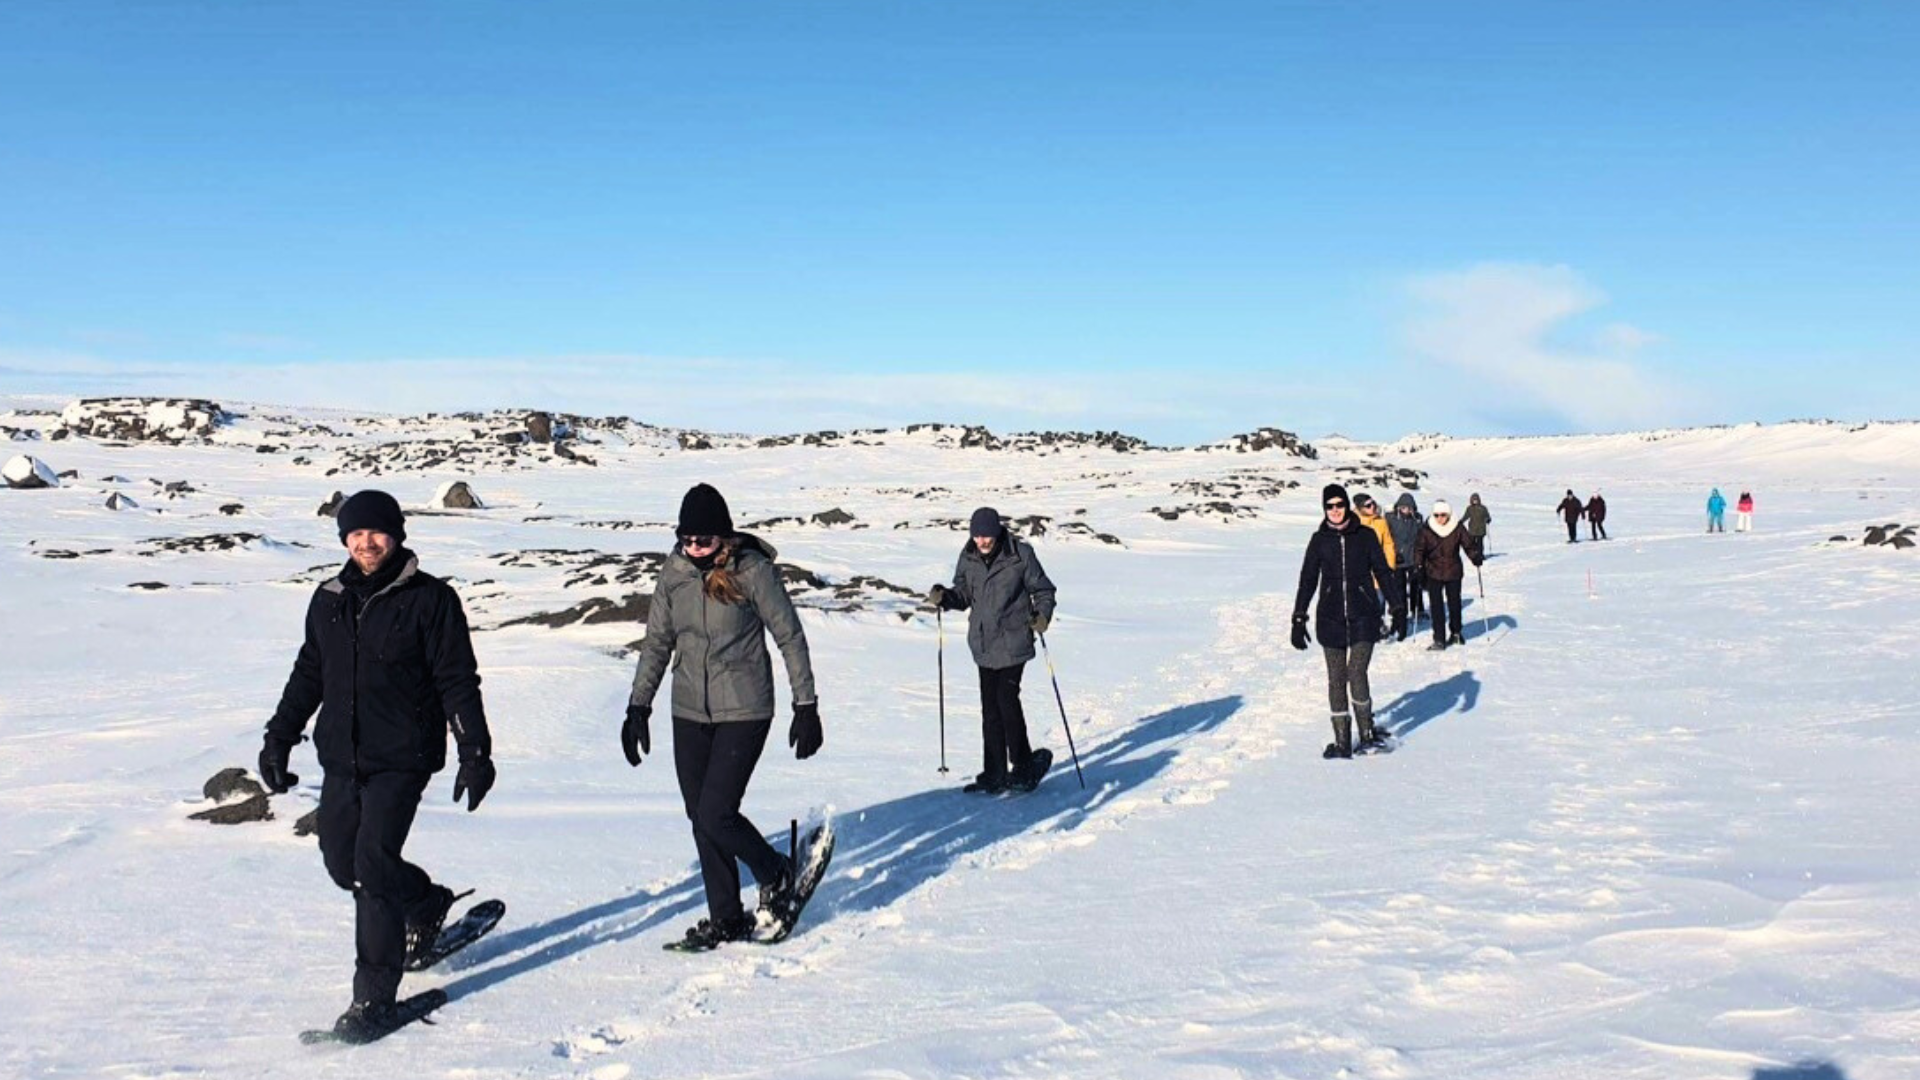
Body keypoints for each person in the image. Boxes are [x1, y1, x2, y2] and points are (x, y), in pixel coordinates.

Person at [258, 490, 496, 1042]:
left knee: (370, 866)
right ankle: (425, 901)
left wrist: (475, 751)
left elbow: (457, 680)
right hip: (342, 758)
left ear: (398, 535)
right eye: (356, 535)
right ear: (344, 539)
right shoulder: (329, 597)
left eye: (377, 533)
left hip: (402, 758)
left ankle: (374, 999)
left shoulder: (431, 599)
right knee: (343, 862)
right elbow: (309, 672)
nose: (367, 544)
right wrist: (279, 736)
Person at [625, 483, 823, 951]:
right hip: (689, 708)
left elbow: (789, 636)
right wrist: (639, 706)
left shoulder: (753, 571)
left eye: (705, 541)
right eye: (687, 540)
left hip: (745, 706)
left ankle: (776, 872)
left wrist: (806, 705)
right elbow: (657, 642)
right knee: (701, 817)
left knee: (717, 811)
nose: (694, 550)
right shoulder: (673, 573)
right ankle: (726, 918)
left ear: (725, 537)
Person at [928, 507, 1059, 794]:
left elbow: (1044, 590)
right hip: (984, 643)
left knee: (1006, 700)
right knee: (990, 709)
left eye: (986, 535)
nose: (982, 541)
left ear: (997, 532)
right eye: (977, 536)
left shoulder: (1019, 554)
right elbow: (963, 595)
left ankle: (1023, 767)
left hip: (1014, 641)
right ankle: (995, 773)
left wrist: (1042, 616)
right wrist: (945, 598)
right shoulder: (968, 556)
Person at [1292, 483, 1393, 759]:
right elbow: (1308, 580)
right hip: (1331, 619)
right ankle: (1342, 741)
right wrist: (1298, 617)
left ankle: (1367, 733)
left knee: (1356, 672)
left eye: (1339, 504)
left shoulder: (1366, 535)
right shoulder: (1319, 540)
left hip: (1364, 616)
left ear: (1347, 505)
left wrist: (1397, 605)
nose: (1335, 510)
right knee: (1336, 679)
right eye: (1329, 506)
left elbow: (1383, 572)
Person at [1414, 499, 1485, 650]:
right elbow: (1419, 549)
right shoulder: (1427, 529)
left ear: (1449, 514)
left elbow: (1468, 544)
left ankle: (1456, 633)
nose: (1440, 518)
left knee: (1454, 604)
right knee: (1437, 606)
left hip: (1453, 572)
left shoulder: (1457, 527)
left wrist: (1475, 556)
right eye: (1437, 515)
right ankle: (1439, 638)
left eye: (1443, 515)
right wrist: (1418, 566)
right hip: (1433, 572)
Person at [1353, 493, 1398, 639]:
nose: (1372, 507)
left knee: (1380, 600)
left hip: (1379, 570)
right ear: (1360, 508)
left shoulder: (1381, 522)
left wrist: (1390, 565)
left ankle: (1378, 626)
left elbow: (1388, 544)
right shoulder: (1353, 523)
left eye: (1373, 503)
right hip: (1360, 571)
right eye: (1368, 505)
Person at [1387, 493, 1426, 632]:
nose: (1406, 510)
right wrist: (1393, 554)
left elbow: (1422, 536)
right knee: (1399, 589)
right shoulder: (1391, 518)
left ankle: (1417, 611)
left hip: (1413, 559)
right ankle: (1399, 614)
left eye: (1409, 508)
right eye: (1403, 507)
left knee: (1416, 586)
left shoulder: (1417, 519)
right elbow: (1386, 537)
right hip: (1397, 560)